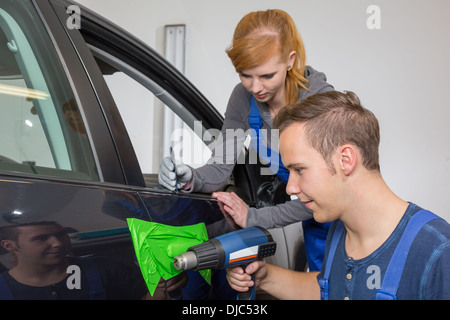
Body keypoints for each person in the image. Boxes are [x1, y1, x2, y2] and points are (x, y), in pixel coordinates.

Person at [226, 90, 450, 300]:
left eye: (299, 170)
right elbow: (330, 287)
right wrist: (266, 278)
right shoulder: (338, 231)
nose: (290, 188)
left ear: (345, 160)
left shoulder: (437, 252)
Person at [158, 9, 333, 272]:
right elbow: (219, 169)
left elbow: (325, 198)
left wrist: (254, 217)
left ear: (290, 59)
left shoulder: (320, 102)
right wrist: (190, 176)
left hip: (345, 220)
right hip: (312, 220)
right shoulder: (243, 99)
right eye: (244, 74)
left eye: (266, 76)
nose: (255, 87)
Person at [0, 221, 186, 299]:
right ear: (9, 245)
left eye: (61, 234)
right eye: (41, 238)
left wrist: (165, 288)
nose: (57, 243)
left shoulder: (104, 269)